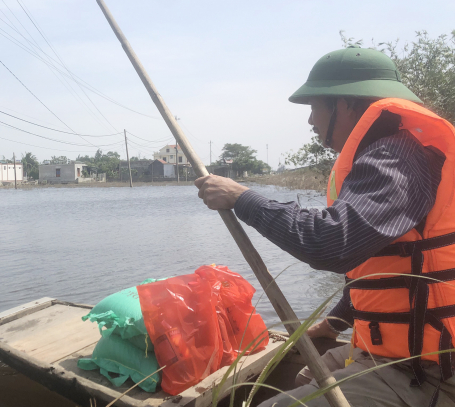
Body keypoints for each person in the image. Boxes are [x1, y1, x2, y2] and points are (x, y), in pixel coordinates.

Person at [195, 46, 455, 407]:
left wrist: (242, 198)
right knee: (306, 372)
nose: (310, 121)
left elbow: (331, 243)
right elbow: (382, 267)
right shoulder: (387, 153)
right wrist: (335, 323)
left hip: (429, 372)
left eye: (315, 107)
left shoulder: (396, 158)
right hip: (401, 354)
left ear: (346, 104)